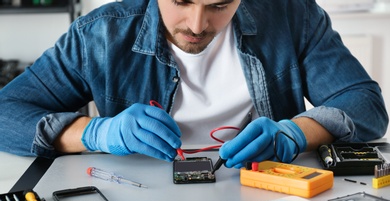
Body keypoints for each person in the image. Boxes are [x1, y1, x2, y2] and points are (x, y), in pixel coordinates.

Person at [0, 0, 388, 169]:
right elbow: (6, 113)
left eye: (219, 5)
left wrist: (295, 133)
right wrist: (97, 133)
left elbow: (365, 105)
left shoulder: (293, 14)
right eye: (181, 0)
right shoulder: (99, 34)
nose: (198, 25)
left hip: (265, 198)